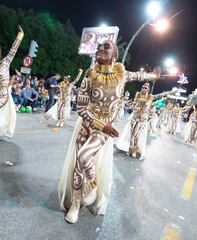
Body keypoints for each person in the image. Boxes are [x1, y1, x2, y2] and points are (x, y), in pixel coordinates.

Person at [58, 40, 161, 224]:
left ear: (115, 54)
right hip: (89, 124)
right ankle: (75, 203)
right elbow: (81, 108)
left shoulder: (122, 74)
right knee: (78, 165)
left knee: (83, 157)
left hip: (105, 128)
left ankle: (93, 184)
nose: (100, 48)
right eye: (98, 47)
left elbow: (139, 76)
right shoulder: (90, 75)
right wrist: (98, 123)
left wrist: (153, 75)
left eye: (106, 46)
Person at [115, 83, 174, 159]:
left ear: (148, 89)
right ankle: (130, 150)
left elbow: (161, 94)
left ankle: (134, 151)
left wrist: (171, 92)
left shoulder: (150, 97)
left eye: (146, 88)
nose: (144, 89)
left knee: (137, 135)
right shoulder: (137, 95)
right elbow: (134, 105)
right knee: (132, 134)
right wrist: (131, 106)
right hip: (135, 116)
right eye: (143, 87)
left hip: (143, 119)